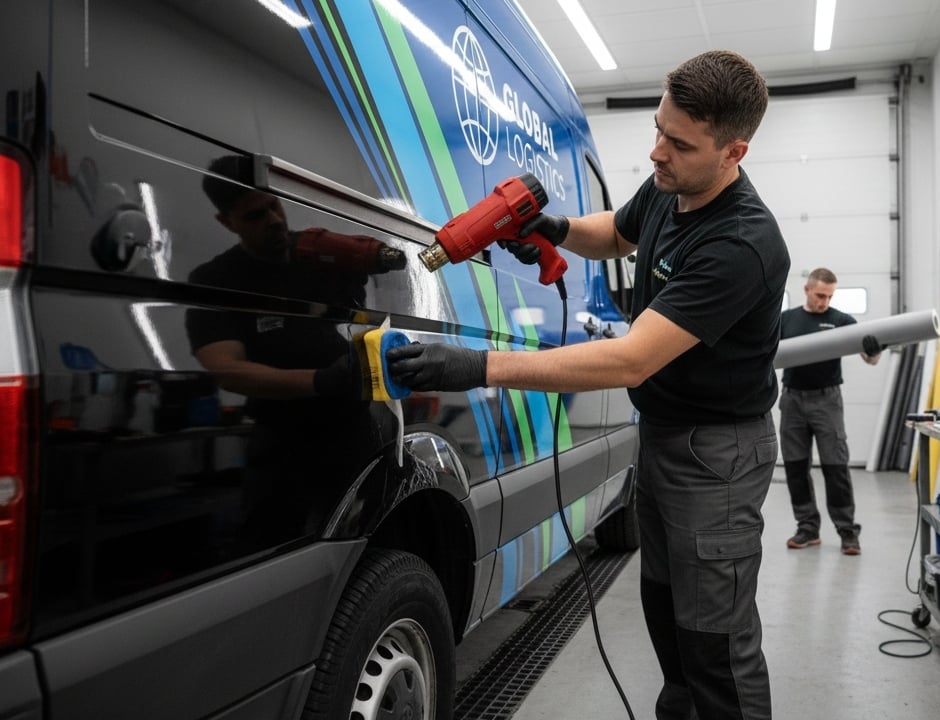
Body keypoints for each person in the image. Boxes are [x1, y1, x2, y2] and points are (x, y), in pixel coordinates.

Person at [388, 51, 789, 720]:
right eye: (659, 129)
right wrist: (559, 230)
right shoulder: (673, 183)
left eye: (679, 143)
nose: (658, 152)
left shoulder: (741, 244)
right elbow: (619, 232)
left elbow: (629, 361)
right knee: (666, 611)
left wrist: (478, 366)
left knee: (713, 638)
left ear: (734, 150)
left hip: (717, 455)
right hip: (665, 436)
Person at [187, 154, 406, 547]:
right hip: (280, 440)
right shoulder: (215, 280)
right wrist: (321, 381)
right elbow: (226, 369)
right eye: (255, 215)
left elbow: (368, 321)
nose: (273, 220)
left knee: (368, 539)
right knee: (271, 543)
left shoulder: (322, 255)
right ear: (227, 222)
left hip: (351, 429)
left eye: (274, 205)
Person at [778, 267, 882, 556]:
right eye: (820, 295)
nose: (824, 301)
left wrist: (874, 350)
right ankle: (807, 527)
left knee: (835, 467)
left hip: (827, 401)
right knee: (795, 467)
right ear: (807, 290)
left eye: (829, 296)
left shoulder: (841, 320)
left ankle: (847, 531)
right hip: (793, 401)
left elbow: (870, 360)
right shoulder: (787, 320)